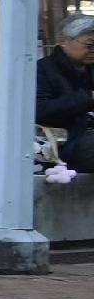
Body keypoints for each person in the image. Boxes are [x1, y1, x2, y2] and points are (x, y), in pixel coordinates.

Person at [36, 15, 94, 184]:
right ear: (64, 41)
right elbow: (39, 110)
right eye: (89, 46)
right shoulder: (42, 70)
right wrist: (87, 99)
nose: (93, 51)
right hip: (64, 141)